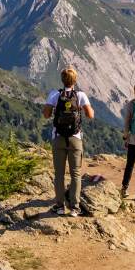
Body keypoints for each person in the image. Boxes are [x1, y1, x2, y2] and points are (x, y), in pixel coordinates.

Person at [42, 67, 95, 216]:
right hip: (75, 138)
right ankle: (75, 208)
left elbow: (46, 115)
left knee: (59, 174)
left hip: (58, 137)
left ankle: (59, 206)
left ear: (62, 79)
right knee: (75, 174)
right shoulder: (80, 95)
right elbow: (90, 115)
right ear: (75, 80)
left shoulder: (55, 95)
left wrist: (55, 110)